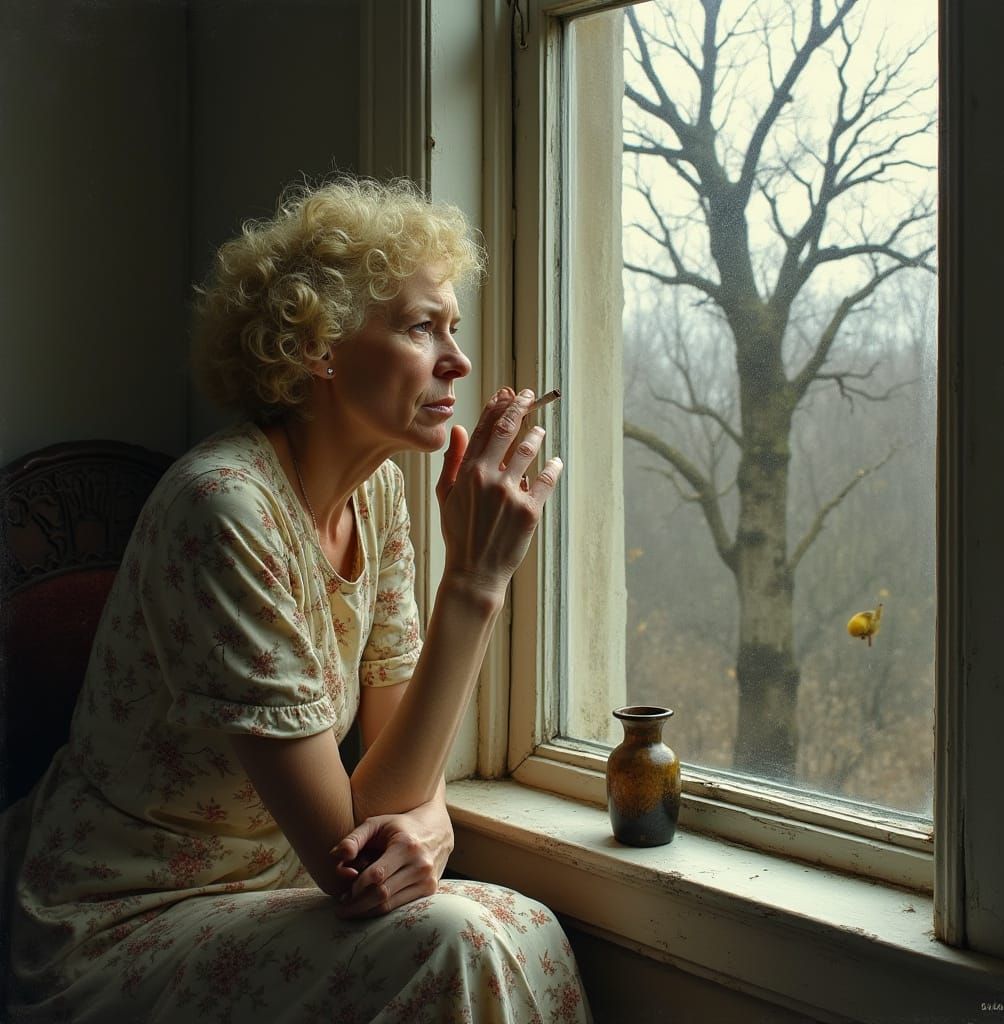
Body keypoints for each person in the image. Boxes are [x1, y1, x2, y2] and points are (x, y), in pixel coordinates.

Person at [4, 177, 591, 1023]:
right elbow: (345, 857)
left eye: (453, 328)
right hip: (122, 918)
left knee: (528, 925)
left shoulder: (379, 495)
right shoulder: (221, 508)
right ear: (319, 348)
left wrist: (433, 827)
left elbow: (402, 766)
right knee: (454, 941)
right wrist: (476, 581)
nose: (458, 361)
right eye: (422, 327)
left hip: (274, 893)